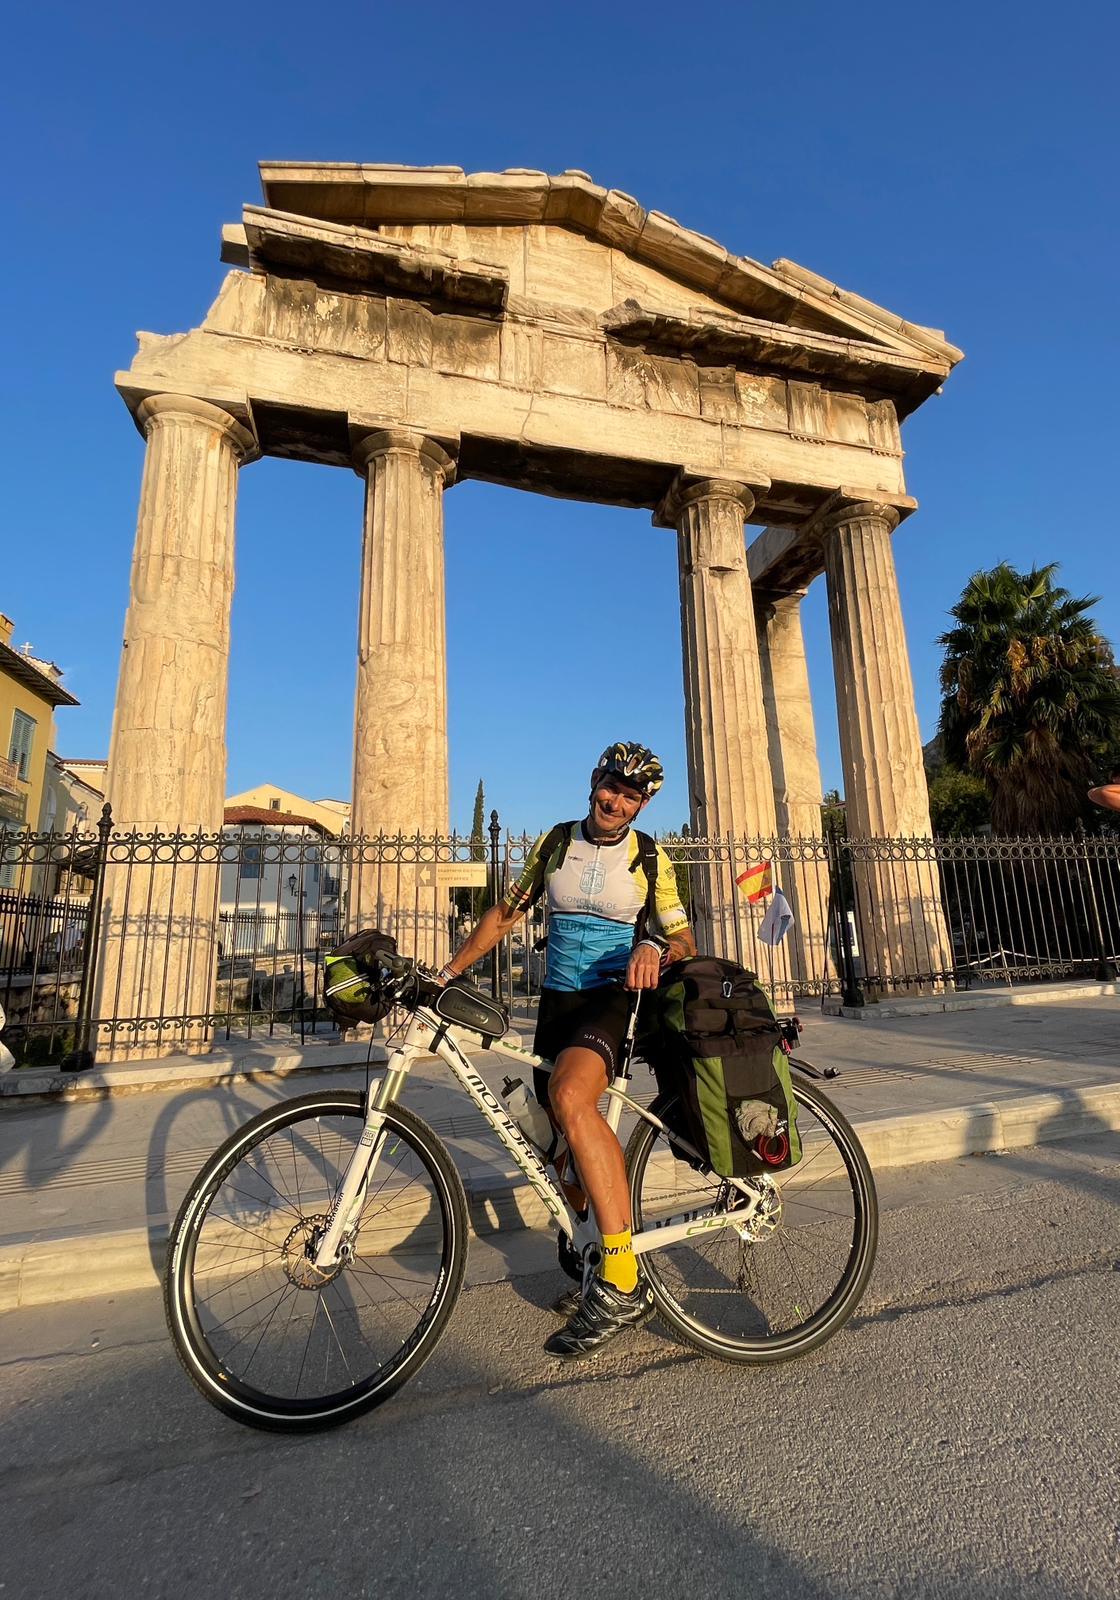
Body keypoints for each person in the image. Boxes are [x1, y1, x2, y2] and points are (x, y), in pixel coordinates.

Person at [435, 742, 696, 1359]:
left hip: (611, 1000)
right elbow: (506, 913)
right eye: (611, 786)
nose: (616, 801)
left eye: (630, 795)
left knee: (572, 1098)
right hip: (556, 1002)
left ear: (642, 804)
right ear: (595, 782)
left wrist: (655, 950)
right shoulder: (555, 843)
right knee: (555, 1144)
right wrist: (448, 972)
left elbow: (682, 936)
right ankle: (593, 1260)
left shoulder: (650, 857)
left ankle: (625, 1282)